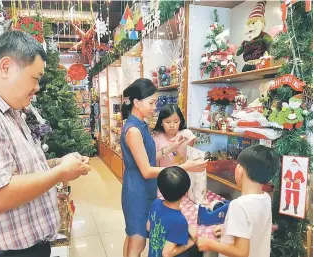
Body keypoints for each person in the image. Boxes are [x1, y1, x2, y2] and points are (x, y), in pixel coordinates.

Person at [0, 31, 91, 257]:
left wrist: (58, 163)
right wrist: (59, 173)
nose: (37, 87)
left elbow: (16, 169)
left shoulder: (6, 110)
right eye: (35, 78)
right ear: (6, 67)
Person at [120, 78, 207, 257]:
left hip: (144, 187)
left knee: (132, 237)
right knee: (137, 242)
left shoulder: (141, 125)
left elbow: (149, 158)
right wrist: (184, 167)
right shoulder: (134, 131)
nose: (154, 107)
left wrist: (171, 149)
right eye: (151, 102)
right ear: (136, 102)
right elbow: (146, 170)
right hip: (137, 190)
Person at [197, 145, 280, 257]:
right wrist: (227, 232)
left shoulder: (239, 205)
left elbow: (241, 252)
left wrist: (209, 244)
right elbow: (252, 230)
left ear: (240, 170)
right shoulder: (265, 198)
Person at [147, 166, 202, 257]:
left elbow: (149, 227)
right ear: (186, 192)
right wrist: (191, 241)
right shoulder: (179, 220)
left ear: (160, 189)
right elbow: (167, 253)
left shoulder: (155, 204)